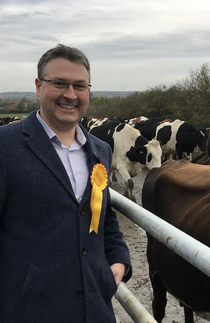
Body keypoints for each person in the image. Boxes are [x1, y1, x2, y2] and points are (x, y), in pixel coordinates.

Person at [0, 44, 132, 323]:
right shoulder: (5, 146)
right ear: (38, 86)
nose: (70, 95)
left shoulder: (100, 149)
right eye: (59, 83)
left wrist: (119, 257)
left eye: (80, 86)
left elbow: (103, 215)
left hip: (95, 306)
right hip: (31, 310)